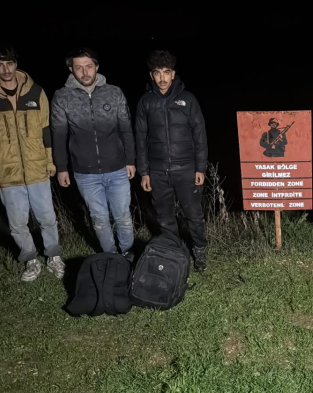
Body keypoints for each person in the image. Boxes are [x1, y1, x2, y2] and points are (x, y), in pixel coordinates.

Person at [0, 44, 64, 282]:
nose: (6, 69)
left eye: (10, 63)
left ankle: (53, 256)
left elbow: (46, 130)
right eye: (0, 64)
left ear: (16, 64)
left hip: (37, 168)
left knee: (47, 218)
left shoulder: (35, 92)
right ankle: (31, 259)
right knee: (18, 223)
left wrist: (50, 161)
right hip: (7, 172)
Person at [51, 47, 136, 257]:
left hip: (117, 168)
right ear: (71, 70)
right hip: (85, 173)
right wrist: (61, 167)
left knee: (123, 216)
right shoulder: (62, 97)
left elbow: (126, 129)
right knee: (99, 218)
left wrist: (130, 160)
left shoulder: (114, 92)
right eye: (79, 67)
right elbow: (59, 135)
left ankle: (128, 254)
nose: (84, 72)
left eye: (89, 66)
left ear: (97, 66)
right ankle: (110, 256)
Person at [135, 50, 209, 271]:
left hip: (186, 169)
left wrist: (201, 167)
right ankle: (175, 252)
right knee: (164, 217)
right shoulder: (145, 102)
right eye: (157, 73)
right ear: (152, 75)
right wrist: (144, 172)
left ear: (173, 74)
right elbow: (140, 138)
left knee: (194, 215)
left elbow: (200, 135)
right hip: (157, 171)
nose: (162, 78)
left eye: (167, 72)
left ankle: (200, 249)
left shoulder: (189, 99)